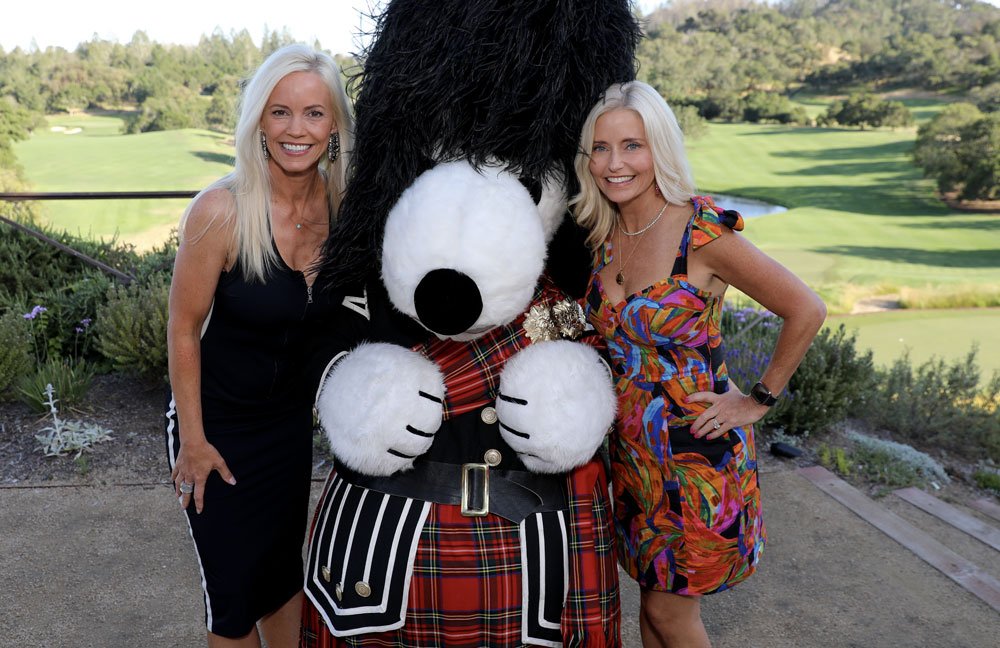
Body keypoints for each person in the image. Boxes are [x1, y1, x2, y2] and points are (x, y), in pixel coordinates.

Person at [573, 80, 827, 648]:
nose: (615, 163)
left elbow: (806, 309)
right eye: (601, 147)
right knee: (651, 609)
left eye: (632, 145)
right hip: (631, 457)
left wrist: (757, 399)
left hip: (695, 458)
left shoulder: (702, 231)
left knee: (670, 616)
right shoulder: (604, 232)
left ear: (659, 148)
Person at [164, 43, 353, 648]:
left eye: (314, 114)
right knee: (233, 602)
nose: (297, 130)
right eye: (280, 112)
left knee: (281, 581)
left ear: (335, 126)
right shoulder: (221, 211)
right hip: (216, 430)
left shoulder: (343, 209)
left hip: (287, 430)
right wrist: (192, 443)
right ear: (258, 121)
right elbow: (183, 330)